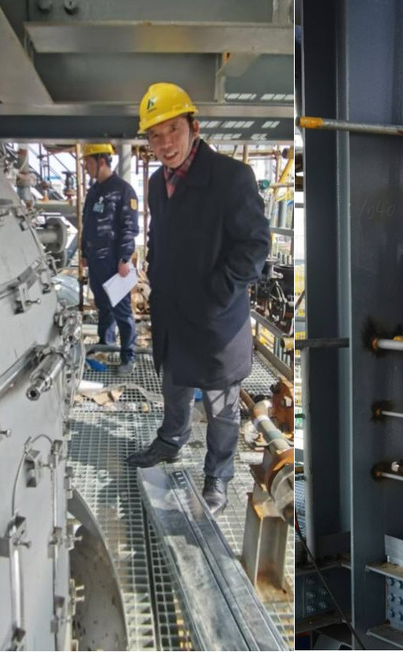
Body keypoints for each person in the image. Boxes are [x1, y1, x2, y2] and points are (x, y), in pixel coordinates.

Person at [125, 82, 270, 516]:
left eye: (173, 129)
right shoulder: (157, 182)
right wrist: (154, 274)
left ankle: (218, 475)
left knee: (221, 406)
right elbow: (160, 235)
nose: (165, 143)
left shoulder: (231, 178)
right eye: (155, 135)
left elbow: (255, 246)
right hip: (172, 312)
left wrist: (217, 294)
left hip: (215, 320)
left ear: (194, 126)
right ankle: (171, 440)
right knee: (174, 385)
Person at [81, 143, 139, 376]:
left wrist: (125, 258)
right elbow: (87, 223)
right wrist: (84, 253)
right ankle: (106, 345)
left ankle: (128, 356)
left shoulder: (123, 190)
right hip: (96, 260)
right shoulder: (94, 190)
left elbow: (129, 228)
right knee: (103, 305)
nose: (86, 167)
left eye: (88, 162)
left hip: (114, 262)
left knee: (122, 310)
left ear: (101, 161)